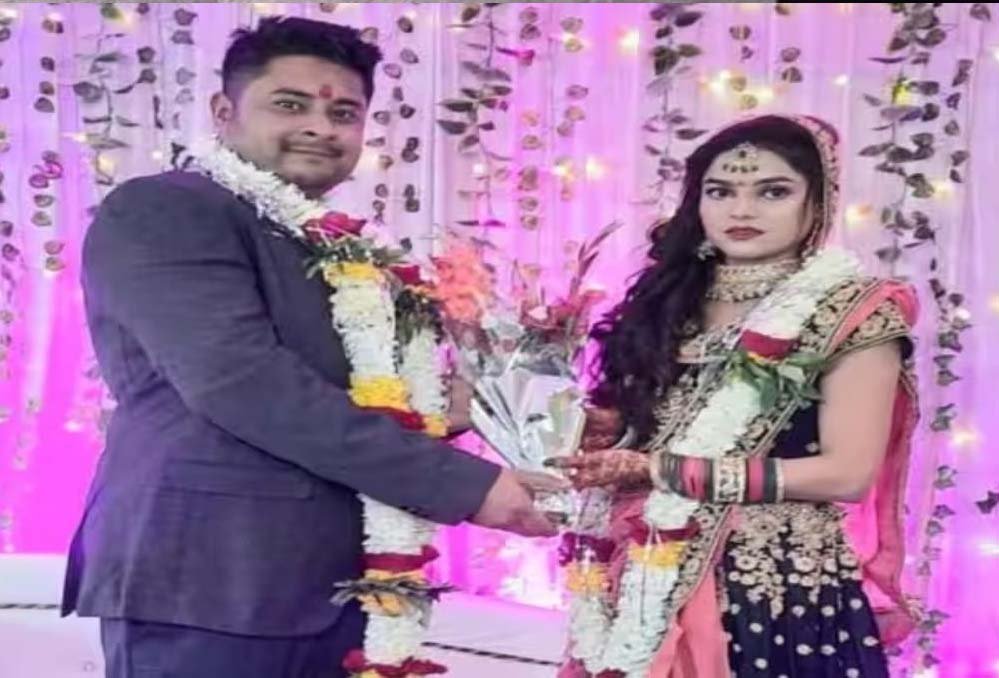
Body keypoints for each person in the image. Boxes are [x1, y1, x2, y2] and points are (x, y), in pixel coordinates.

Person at [62, 17, 560, 678]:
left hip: (334, 588)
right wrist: (465, 486)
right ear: (224, 112)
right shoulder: (167, 210)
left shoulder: (334, 247)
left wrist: (470, 408)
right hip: (211, 578)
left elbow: (339, 388)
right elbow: (240, 381)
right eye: (290, 104)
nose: (321, 127)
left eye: (343, 113)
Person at [554, 114, 919, 677]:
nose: (741, 210)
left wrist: (663, 470)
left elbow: (847, 473)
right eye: (721, 191)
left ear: (819, 202)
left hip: (774, 591)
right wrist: (610, 432)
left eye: (773, 192)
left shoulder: (852, 313)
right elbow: (655, 429)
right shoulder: (667, 303)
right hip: (645, 568)